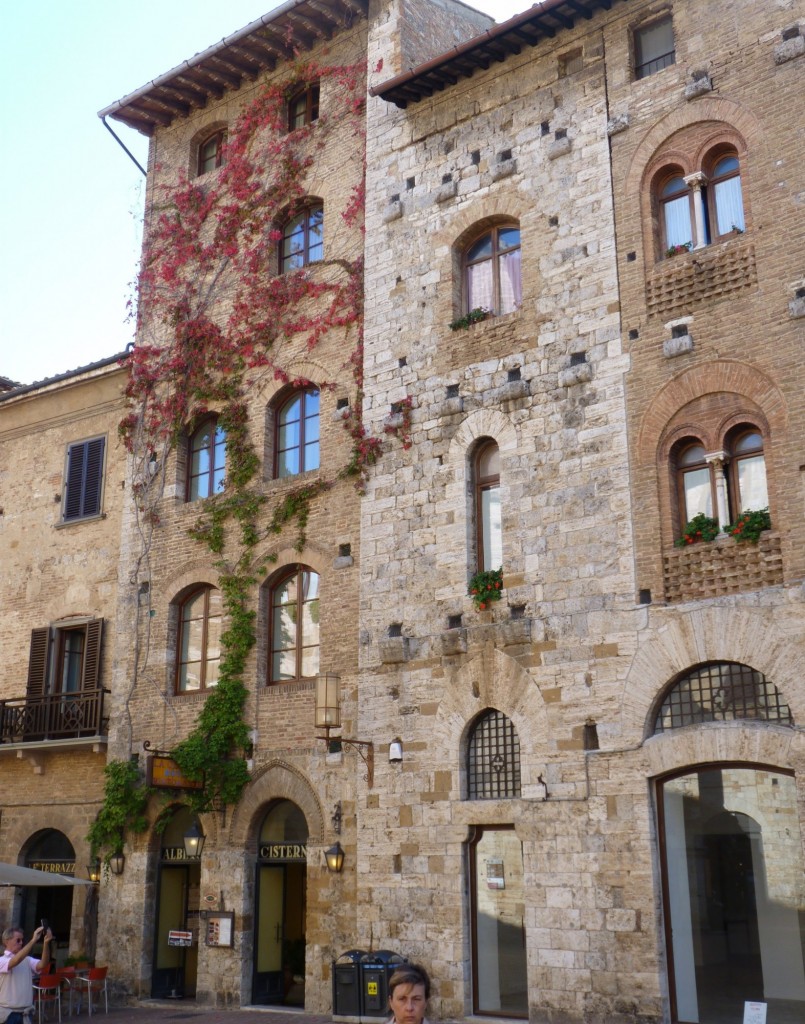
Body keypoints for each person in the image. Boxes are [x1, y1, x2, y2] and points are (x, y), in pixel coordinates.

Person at [0, 924, 51, 1024]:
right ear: (6, 941)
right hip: (8, 1013)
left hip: (25, 1013)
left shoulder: (27, 960)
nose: (21, 943)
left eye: (22, 940)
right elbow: (15, 961)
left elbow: (43, 964)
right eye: (18, 940)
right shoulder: (2, 960)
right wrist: (33, 940)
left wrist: (46, 943)